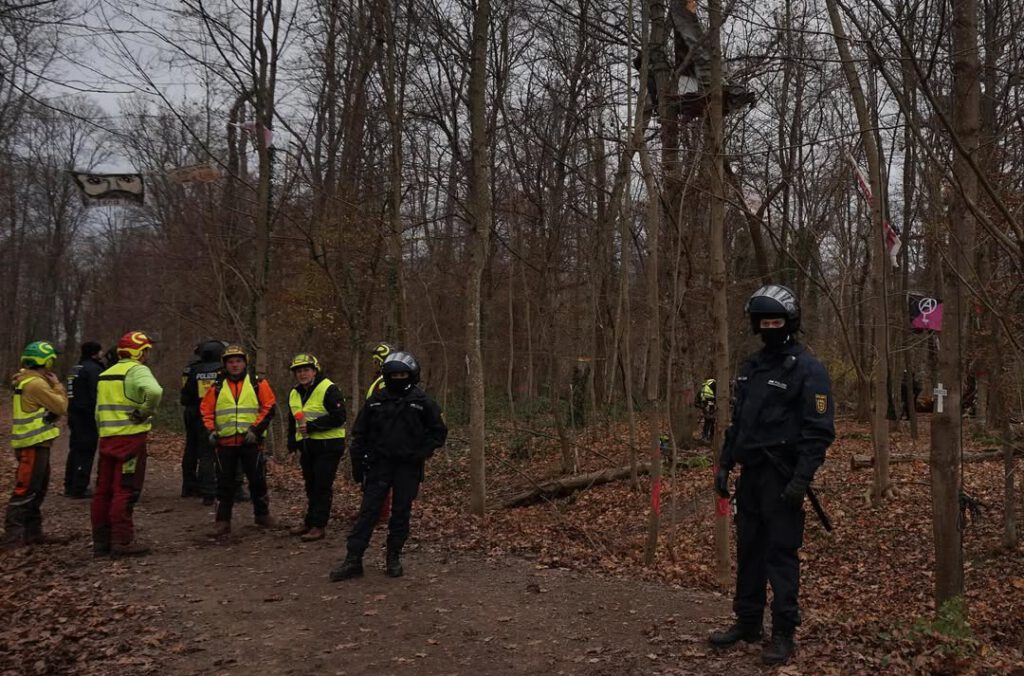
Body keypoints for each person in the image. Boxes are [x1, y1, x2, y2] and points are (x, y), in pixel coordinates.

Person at [710, 284, 835, 665]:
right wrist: (724, 464)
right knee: (749, 551)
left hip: (783, 479)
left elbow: (819, 430)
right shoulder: (751, 368)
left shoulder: (808, 369)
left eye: (775, 319)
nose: (769, 326)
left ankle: (783, 632)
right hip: (750, 476)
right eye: (762, 320)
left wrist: (802, 479)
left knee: (780, 555)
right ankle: (747, 621)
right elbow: (738, 424)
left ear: (790, 322)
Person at [330, 351, 447, 581]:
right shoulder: (375, 401)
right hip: (378, 465)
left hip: (408, 467)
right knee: (368, 513)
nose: (399, 378)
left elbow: (438, 433)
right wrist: (357, 462)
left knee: (401, 513)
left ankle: (393, 558)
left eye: (403, 374)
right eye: (394, 375)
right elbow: (359, 433)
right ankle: (353, 560)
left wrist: (421, 453)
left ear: (412, 375)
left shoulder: (423, 402)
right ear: (386, 376)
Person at [91, 331, 163, 557]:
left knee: (103, 490)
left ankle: (101, 541)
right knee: (125, 489)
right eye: (146, 351)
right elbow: (154, 391)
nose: (147, 355)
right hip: (130, 439)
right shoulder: (137, 370)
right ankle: (122, 541)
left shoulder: (107, 373)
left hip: (107, 438)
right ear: (139, 352)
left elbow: (98, 411)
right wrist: (145, 412)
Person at [201, 344, 278, 538]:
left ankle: (262, 515)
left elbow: (269, 407)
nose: (235, 365)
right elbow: (206, 411)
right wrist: (210, 431)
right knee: (224, 484)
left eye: (238, 361)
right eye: (231, 362)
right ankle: (222, 521)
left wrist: (255, 429)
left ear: (245, 363)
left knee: (257, 480)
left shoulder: (257, 383)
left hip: (251, 442)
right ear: (225, 365)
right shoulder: (216, 386)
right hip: (225, 443)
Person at [2, 341, 69, 548]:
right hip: (32, 443)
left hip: (35, 442)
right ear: (46, 360)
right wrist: (57, 385)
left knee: (37, 489)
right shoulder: (36, 383)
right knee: (26, 489)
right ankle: (14, 537)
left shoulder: (26, 379)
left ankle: (32, 533)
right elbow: (61, 405)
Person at [286, 353, 346, 542]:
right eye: (299, 371)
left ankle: (319, 525)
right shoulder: (295, 392)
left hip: (329, 445)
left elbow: (339, 417)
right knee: (311, 485)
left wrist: (312, 426)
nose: (302, 374)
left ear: (314, 371)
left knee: (322, 486)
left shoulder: (329, 388)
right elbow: (292, 420)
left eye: (306, 370)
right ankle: (309, 521)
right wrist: (291, 443)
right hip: (307, 446)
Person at [180, 339, 226, 504]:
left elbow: (184, 396)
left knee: (191, 449)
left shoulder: (192, 370)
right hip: (213, 415)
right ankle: (211, 491)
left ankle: (190, 487)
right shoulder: (223, 372)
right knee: (210, 453)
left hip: (193, 413)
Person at [64, 341, 104, 498]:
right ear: (95, 353)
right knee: (85, 451)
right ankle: (79, 487)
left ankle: (70, 484)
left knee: (75, 449)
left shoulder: (76, 368)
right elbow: (96, 394)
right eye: (100, 351)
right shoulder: (93, 369)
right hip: (86, 416)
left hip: (74, 413)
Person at [697, 377, 717, 442]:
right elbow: (717, 395)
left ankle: (706, 437)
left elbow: (697, 400)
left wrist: (701, 406)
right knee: (711, 421)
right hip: (710, 405)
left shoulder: (704, 385)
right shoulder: (714, 383)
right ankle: (709, 437)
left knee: (708, 421)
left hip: (704, 405)